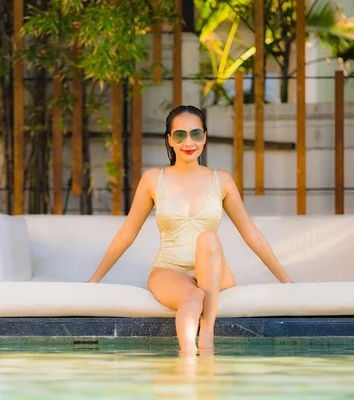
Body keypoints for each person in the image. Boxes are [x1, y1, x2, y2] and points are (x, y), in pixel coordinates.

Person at [87, 105, 293, 355]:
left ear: (204, 137)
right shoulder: (154, 179)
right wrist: (94, 281)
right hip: (169, 270)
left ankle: (206, 335)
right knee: (193, 296)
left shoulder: (222, 180)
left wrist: (286, 282)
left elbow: (251, 234)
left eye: (196, 134)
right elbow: (127, 234)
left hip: (214, 270)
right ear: (170, 140)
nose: (189, 142)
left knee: (207, 238)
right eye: (180, 135)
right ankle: (188, 358)